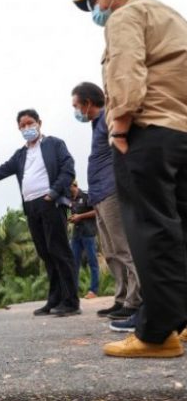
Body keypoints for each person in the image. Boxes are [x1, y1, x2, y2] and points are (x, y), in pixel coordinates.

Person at [73, 0, 187, 357]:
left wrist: (120, 125)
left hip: (148, 130)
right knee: (179, 228)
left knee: (150, 231)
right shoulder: (170, 17)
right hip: (180, 131)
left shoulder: (125, 16)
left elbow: (125, 68)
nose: (94, 7)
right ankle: (181, 323)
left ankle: (157, 333)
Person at [0, 109, 79, 317]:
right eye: (23, 125)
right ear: (19, 129)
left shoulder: (55, 144)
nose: (27, 128)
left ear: (39, 123)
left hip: (50, 203)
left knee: (59, 251)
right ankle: (54, 300)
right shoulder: (21, 155)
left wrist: (53, 192)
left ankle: (71, 302)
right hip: (31, 207)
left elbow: (68, 168)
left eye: (30, 123)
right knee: (46, 253)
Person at [70, 82, 142, 323]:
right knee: (110, 252)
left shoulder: (107, 118)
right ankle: (121, 299)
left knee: (123, 248)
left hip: (112, 192)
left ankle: (136, 301)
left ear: (88, 103)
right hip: (98, 195)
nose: (76, 111)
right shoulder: (95, 124)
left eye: (76, 105)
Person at [68, 180, 99, 300]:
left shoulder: (86, 196)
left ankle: (93, 290)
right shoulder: (71, 200)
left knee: (92, 262)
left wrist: (80, 216)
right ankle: (73, 291)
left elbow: (96, 211)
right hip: (76, 234)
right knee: (73, 263)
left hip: (88, 233)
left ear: (74, 186)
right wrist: (72, 218)